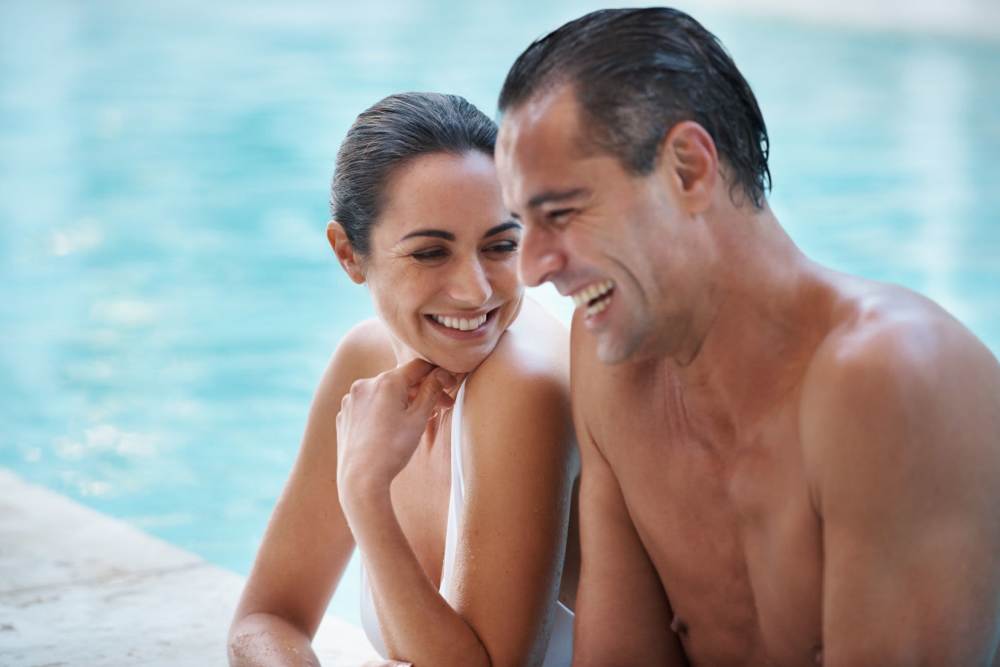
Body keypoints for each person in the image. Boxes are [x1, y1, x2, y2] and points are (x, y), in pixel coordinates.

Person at [494, 7, 1000, 666]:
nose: (531, 267)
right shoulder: (612, 365)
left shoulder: (889, 378)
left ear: (687, 169)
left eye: (560, 213)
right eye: (522, 226)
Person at [229, 92, 578, 667]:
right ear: (348, 254)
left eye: (500, 246)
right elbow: (265, 619)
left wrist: (364, 497)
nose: (476, 291)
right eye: (430, 253)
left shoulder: (523, 384)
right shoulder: (365, 362)